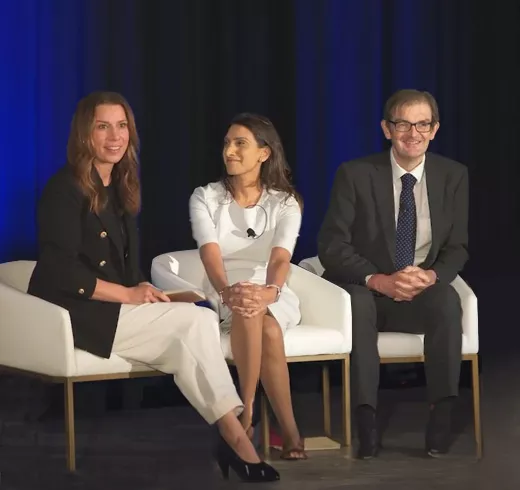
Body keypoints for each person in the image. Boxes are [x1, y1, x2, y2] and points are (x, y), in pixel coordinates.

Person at [27, 91, 279, 483]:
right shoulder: (64, 189)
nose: (115, 136)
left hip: (112, 309)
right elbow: (61, 272)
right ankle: (237, 435)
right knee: (193, 325)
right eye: (103, 126)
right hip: (71, 314)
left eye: (122, 125)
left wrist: (139, 286)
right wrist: (128, 295)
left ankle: (233, 435)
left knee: (192, 326)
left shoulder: (119, 184)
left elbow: (119, 268)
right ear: (84, 134)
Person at [318, 89, 468, 459]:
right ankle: (365, 419)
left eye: (422, 124)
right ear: (387, 129)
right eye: (403, 124)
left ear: (434, 129)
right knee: (358, 303)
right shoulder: (355, 174)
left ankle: (441, 414)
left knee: (447, 301)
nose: (412, 133)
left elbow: (457, 248)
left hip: (417, 290)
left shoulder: (453, 175)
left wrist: (431, 277)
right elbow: (332, 247)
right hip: (368, 290)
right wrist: (378, 280)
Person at [187, 113, 307, 460]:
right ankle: (289, 432)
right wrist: (225, 290)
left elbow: (280, 259)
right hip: (223, 287)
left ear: (264, 153)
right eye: (227, 143)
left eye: (240, 143)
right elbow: (210, 254)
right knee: (259, 320)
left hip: (273, 288)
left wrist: (271, 291)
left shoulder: (285, 202)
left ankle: (247, 412)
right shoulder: (205, 197)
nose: (230, 151)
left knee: (258, 307)